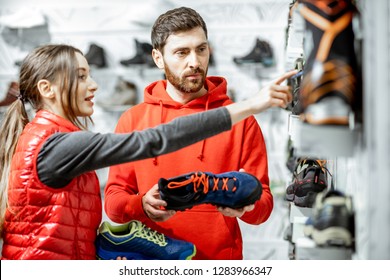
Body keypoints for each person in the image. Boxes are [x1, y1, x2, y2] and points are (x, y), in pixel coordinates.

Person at [0, 44, 294, 260]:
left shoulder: (53, 138)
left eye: (89, 74)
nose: (93, 84)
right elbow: (154, 140)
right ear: (47, 89)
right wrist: (250, 105)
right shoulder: (56, 145)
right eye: (80, 76)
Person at [104, 7, 296, 260]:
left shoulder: (240, 120)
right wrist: (140, 205)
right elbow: (114, 204)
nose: (194, 62)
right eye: (181, 52)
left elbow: (263, 207)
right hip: (151, 262)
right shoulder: (133, 119)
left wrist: (243, 207)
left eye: (201, 49)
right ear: (158, 58)